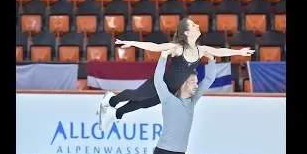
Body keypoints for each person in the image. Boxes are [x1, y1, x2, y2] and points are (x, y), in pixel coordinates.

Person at [98, 18, 254, 130]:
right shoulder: (178, 48)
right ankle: (111, 100)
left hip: (170, 90)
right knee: (138, 95)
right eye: (193, 25)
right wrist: (133, 43)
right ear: (186, 33)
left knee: (143, 104)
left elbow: (219, 51)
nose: (197, 25)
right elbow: (155, 46)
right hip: (159, 82)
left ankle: (115, 114)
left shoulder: (201, 50)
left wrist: (238, 51)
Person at [153, 50, 216, 154]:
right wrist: (163, 57)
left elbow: (209, 79)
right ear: (183, 83)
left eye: (196, 82)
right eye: (192, 82)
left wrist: (211, 58)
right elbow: (158, 80)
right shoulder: (169, 99)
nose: (196, 86)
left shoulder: (191, 101)